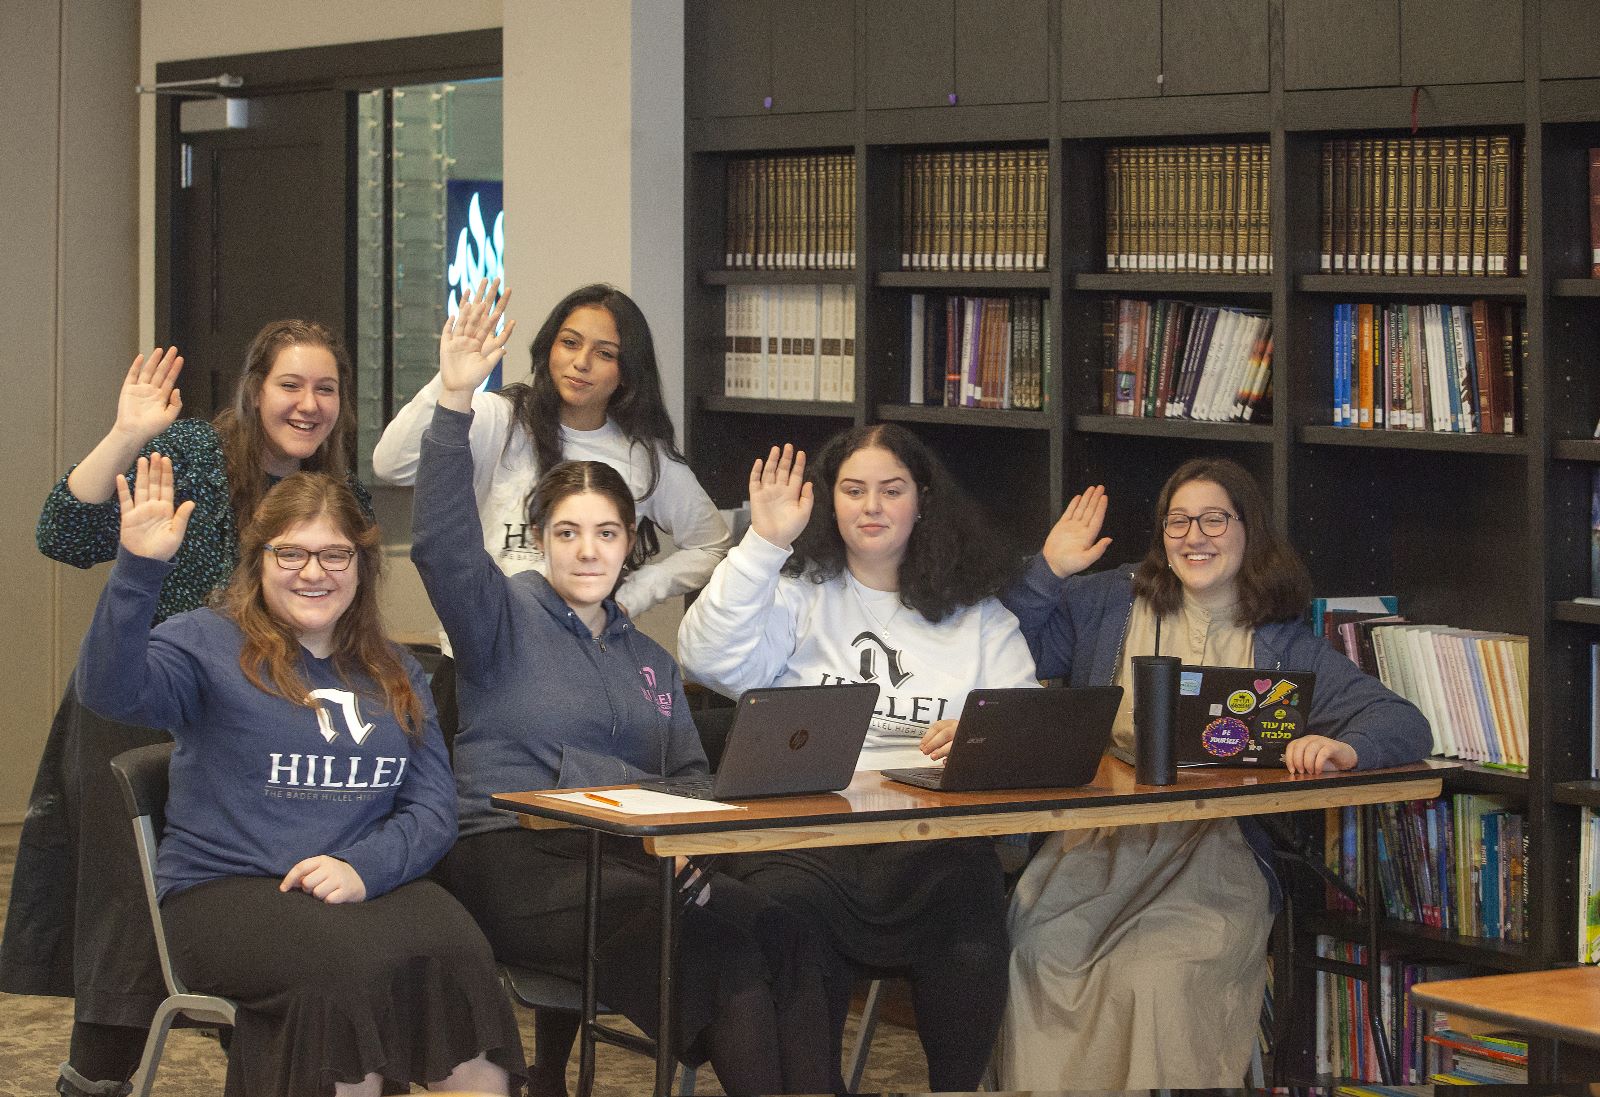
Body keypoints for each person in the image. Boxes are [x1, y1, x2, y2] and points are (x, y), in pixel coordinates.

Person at [410, 290, 832, 1097]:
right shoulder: (500, 616)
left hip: (632, 863)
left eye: (607, 533)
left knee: (788, 932)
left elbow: (688, 773)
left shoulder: (646, 655)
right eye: (566, 532)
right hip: (512, 857)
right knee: (728, 958)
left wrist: (686, 837)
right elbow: (438, 540)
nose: (587, 550)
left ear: (632, 544)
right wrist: (454, 400)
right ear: (539, 541)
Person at [2, 322, 373, 1097]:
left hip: (253, 730)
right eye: (290, 385)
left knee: (259, 905)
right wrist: (126, 435)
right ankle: (92, 1083)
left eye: (325, 388)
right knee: (129, 924)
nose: (308, 404)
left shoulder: (341, 494)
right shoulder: (197, 455)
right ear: (254, 387)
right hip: (140, 710)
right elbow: (63, 532)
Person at [75, 462, 525, 1096]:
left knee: (461, 954)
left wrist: (363, 868)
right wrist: (138, 570)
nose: (314, 573)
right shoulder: (205, 643)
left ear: (363, 566)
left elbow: (431, 811)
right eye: (291, 553)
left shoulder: (396, 667)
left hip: (361, 883)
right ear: (259, 560)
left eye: (336, 555)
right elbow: (107, 691)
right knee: (343, 973)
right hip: (224, 890)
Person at [990, 457, 1433, 1090]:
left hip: (1216, 854)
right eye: (1179, 521)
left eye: (1214, 520)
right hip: (1096, 844)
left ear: (1249, 530)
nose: (1194, 536)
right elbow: (996, 641)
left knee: (1156, 973)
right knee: (1040, 956)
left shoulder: (1285, 645)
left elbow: (1402, 722)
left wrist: (1343, 750)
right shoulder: (1107, 604)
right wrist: (1049, 569)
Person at [676, 426, 1038, 1091]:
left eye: (891, 489)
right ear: (828, 500)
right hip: (805, 837)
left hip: (930, 839)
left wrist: (979, 737)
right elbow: (704, 659)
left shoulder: (978, 616)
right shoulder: (794, 591)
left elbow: (1025, 725)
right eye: (853, 489)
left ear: (922, 501)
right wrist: (763, 544)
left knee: (972, 911)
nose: (871, 506)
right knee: (786, 910)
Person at [372, 279, 730, 620]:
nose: (582, 362)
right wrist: (449, 385)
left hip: (582, 654)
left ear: (627, 372)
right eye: (570, 343)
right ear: (549, 347)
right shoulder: (500, 417)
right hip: (478, 654)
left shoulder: (643, 457)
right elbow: (393, 465)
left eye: (604, 353)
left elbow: (712, 546)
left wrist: (631, 596)